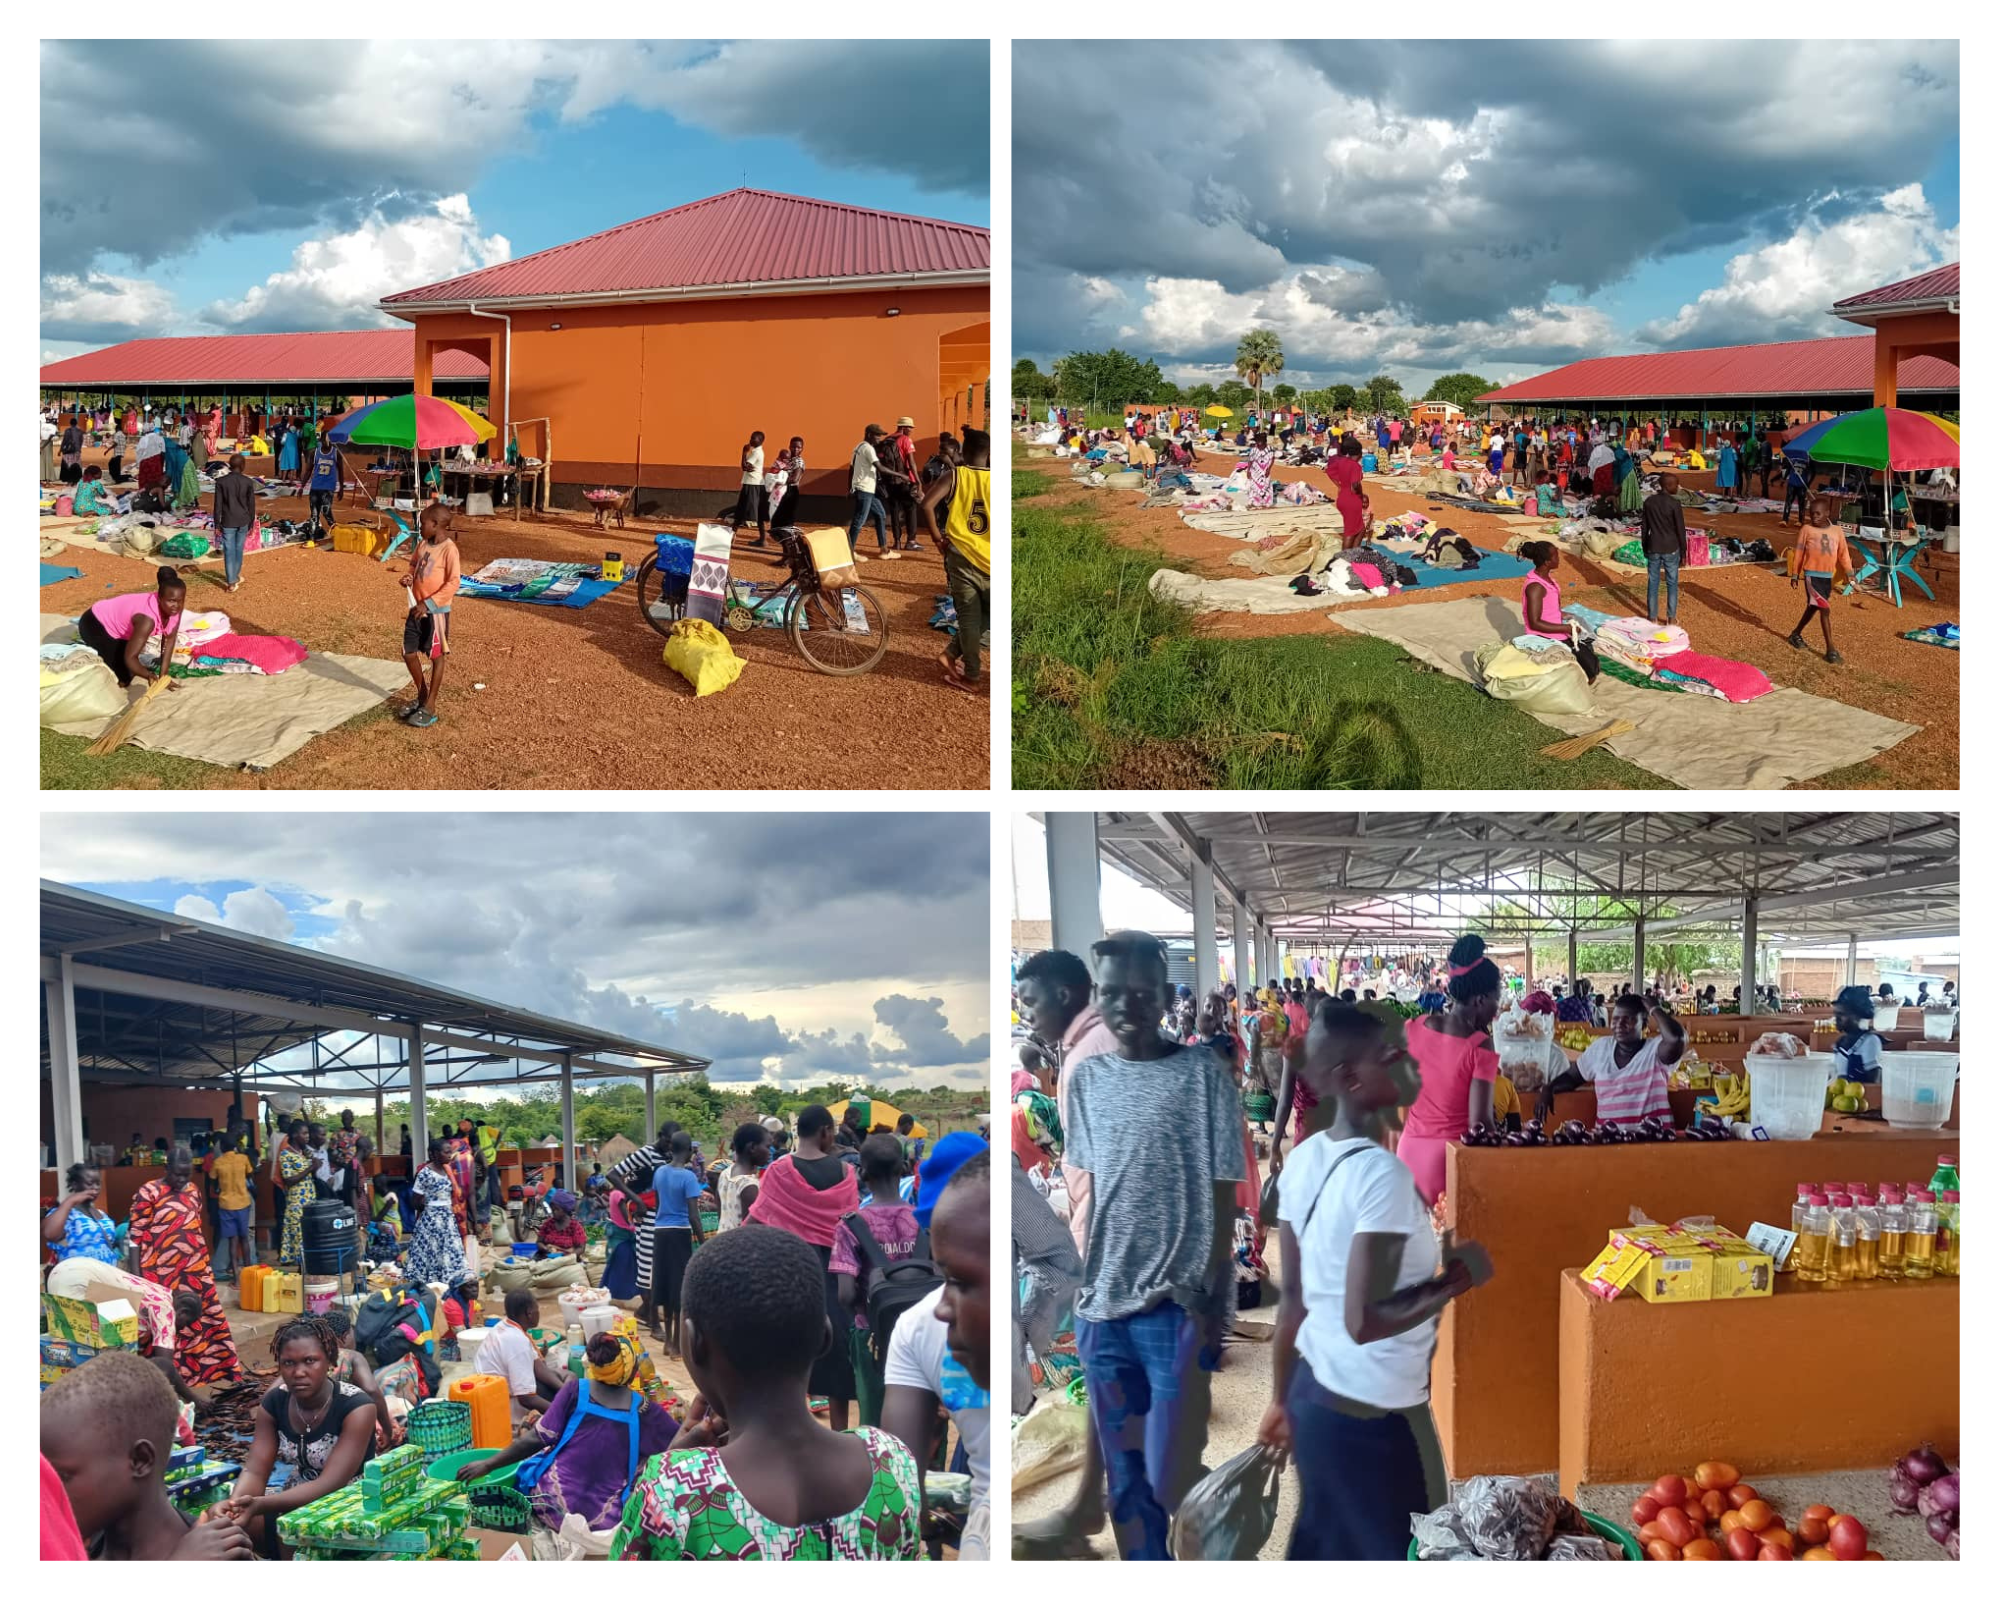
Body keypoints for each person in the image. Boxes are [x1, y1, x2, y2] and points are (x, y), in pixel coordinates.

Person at [1258, 1001, 1494, 1559]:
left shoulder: (1306, 1157)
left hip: (1315, 1398)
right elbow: (1362, 1321)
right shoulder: (1381, 1176)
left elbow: (1292, 1303)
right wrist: (1453, 1281)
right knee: (1406, 1551)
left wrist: (1282, 1400)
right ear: (1349, 1079)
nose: (1404, 1063)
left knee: (1326, 1550)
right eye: (1386, 1057)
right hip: (1373, 1415)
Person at [1063, 931, 1242, 1561]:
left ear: (1166, 996)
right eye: (1112, 993)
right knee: (1127, 1485)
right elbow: (1099, 1189)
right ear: (1097, 996)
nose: (1127, 1006)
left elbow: (1225, 1196)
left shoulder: (1204, 1076)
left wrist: (1213, 1301)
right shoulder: (1087, 1080)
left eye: (1142, 993)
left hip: (1174, 1306)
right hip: (1102, 1309)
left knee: (1172, 1476)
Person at [610, 1225, 923, 1559]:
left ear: (695, 1342)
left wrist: (668, 1465)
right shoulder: (892, 1462)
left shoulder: (672, 1493)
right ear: (825, 1337)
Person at [459, 1329, 680, 1535]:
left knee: (541, 1449)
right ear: (631, 1373)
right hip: (603, 1523)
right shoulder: (645, 1411)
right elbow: (678, 1445)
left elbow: (537, 1438)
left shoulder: (576, 1389)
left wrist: (488, 1464)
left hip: (550, 1506)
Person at [882, 1147, 992, 1559]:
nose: (944, 1309)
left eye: (959, 1280)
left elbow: (902, 1480)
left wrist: (929, 1524)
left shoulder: (916, 1326)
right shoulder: (1069, 1302)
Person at [40, 1352, 253, 1560]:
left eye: (62, 1476)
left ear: (140, 1460)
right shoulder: (67, 1550)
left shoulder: (221, 1558)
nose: (45, 1490)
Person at [218, 1316, 379, 1558]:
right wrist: (236, 1506)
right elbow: (255, 1471)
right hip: (294, 1497)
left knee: (292, 1532)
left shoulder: (356, 1407)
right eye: (288, 1363)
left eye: (310, 1361)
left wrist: (259, 1505)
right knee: (224, 1526)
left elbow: (330, 1483)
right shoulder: (275, 1402)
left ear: (330, 1361)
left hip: (350, 1502)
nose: (299, 1372)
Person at [747, 1104, 861, 1429]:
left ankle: (794, 1431)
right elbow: (851, 1226)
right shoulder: (845, 1174)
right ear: (826, 1131)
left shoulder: (779, 1171)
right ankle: (840, 1431)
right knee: (837, 1351)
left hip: (792, 1272)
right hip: (836, 1273)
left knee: (793, 1351)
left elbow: (757, 1218)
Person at [1395, 935, 1503, 1207]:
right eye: (1496, 999)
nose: (1497, 1009)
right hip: (1448, 1161)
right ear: (1480, 1000)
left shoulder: (1414, 1027)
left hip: (1407, 1154)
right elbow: (1479, 1124)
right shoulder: (1480, 1045)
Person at [127, 1149, 244, 1388]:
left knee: (201, 1322)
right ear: (166, 1169)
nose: (182, 1180)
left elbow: (194, 1227)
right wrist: (138, 1279)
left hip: (195, 1271)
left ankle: (199, 1375)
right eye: (177, 1174)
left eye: (186, 1174)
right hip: (159, 1273)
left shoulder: (193, 1190)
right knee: (163, 1323)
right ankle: (160, 1381)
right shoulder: (149, 1192)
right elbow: (135, 1238)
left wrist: (204, 1268)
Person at [830, 1133, 923, 1427]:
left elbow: (845, 1295)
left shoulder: (850, 1226)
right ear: (904, 1168)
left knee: (876, 1417)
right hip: (923, 1334)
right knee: (925, 1416)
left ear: (862, 1173)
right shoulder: (925, 1221)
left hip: (871, 1335)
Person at [919, 426, 992, 694]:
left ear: (963, 452)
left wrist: (938, 539)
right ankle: (962, 667)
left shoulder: (955, 475)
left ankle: (966, 669)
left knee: (970, 618)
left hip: (960, 556)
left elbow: (927, 504)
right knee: (988, 616)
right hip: (990, 559)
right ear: (989, 453)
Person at [1539, 992, 1685, 1122]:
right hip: (1608, 1139)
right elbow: (1572, 1077)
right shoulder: (1601, 1048)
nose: (1619, 1024)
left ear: (1644, 1024)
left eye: (1628, 1019)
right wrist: (1549, 1088)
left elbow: (1676, 1038)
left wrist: (1655, 1009)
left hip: (1653, 1141)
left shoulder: (1655, 1051)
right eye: (1615, 1019)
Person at [399, 490, 459, 726]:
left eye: (422, 523)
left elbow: (453, 582)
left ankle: (431, 705)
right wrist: (409, 577)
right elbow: (414, 564)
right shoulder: (423, 544)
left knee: (436, 656)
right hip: (416, 608)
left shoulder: (449, 550)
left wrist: (429, 603)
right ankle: (422, 695)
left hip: (436, 613)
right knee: (408, 652)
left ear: (435, 525)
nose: (419, 526)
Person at [79, 567, 187, 689]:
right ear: (159, 598)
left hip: (117, 626)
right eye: (171, 601)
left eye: (180, 601)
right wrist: (149, 675)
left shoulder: (174, 609)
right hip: (94, 624)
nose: (176, 606)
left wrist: (163, 676)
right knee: (125, 677)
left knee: (132, 666)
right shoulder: (147, 620)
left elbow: (169, 640)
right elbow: (130, 658)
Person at [649, 1131, 707, 1356]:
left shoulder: (659, 1172)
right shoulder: (688, 1177)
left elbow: (658, 1205)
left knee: (664, 1282)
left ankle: (668, 1341)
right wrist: (703, 1243)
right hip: (679, 1233)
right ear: (690, 1151)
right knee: (678, 1286)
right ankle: (675, 1344)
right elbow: (693, 1215)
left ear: (671, 1148)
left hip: (660, 1232)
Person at [475, 1287, 566, 1423]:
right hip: (499, 1403)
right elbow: (526, 1398)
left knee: (564, 1377)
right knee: (559, 1389)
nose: (538, 1313)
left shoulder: (505, 1326)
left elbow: (538, 1365)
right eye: (537, 1309)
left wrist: (565, 1390)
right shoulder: (517, 1341)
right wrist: (560, 1413)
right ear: (529, 1313)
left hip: (491, 1390)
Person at [1785, 497, 1853, 665]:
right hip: (1811, 576)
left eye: (1818, 514)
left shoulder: (1837, 531)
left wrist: (1849, 572)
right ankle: (1831, 650)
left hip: (1827, 577)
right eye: (1811, 514)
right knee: (1824, 609)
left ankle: (1795, 634)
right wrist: (1795, 574)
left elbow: (1843, 553)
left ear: (1827, 513)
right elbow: (1799, 553)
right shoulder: (1806, 530)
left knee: (1813, 607)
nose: (1814, 517)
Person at [406, 1135, 469, 1288]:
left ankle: (449, 1282)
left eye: (450, 1152)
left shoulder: (448, 1171)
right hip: (431, 1221)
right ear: (435, 1154)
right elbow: (415, 1201)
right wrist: (429, 1211)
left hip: (447, 1220)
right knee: (432, 1251)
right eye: (446, 1152)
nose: (449, 1155)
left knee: (450, 1250)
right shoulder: (425, 1173)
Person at [44, 1161, 120, 1264]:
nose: (96, 1187)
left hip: (106, 1272)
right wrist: (71, 1201)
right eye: (90, 1183)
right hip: (78, 1273)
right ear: (75, 1185)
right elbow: (49, 1234)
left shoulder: (102, 1214)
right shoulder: (65, 1214)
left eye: (98, 1183)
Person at [1639, 471, 1689, 625]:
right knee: (1672, 583)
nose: (1678, 487)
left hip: (1653, 546)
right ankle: (1671, 618)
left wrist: (1645, 545)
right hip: (1671, 547)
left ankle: (1652, 617)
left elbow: (1644, 527)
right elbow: (1680, 530)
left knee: (1653, 581)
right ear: (1668, 486)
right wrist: (1684, 552)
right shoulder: (1674, 504)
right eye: (1676, 485)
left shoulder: (1649, 502)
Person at [207, 1131, 254, 1281]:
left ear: (221, 1147)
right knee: (244, 1238)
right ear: (235, 1145)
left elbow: (212, 1180)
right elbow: (250, 1174)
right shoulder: (243, 1158)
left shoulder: (218, 1162)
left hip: (226, 1204)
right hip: (243, 1202)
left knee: (233, 1241)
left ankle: (236, 1278)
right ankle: (249, 1274)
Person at [717, 1121, 769, 1233]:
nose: (769, 1152)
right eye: (767, 1147)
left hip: (722, 1238)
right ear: (752, 1147)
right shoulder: (749, 1185)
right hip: (740, 1243)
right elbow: (751, 1231)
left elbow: (720, 1213)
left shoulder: (725, 1174)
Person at [847, 423, 890, 560]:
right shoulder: (868, 449)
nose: (879, 438)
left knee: (880, 514)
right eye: (877, 435)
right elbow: (880, 468)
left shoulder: (858, 447)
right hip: (865, 489)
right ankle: (849, 551)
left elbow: (851, 469)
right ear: (869, 435)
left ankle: (884, 550)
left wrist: (850, 487)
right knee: (859, 520)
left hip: (866, 489)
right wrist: (902, 475)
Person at [1827, 985, 1885, 1084]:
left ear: (1856, 1016)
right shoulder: (1841, 1042)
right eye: (1835, 1014)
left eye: (1841, 1014)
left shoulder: (1870, 1041)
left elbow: (1874, 1082)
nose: (1836, 1019)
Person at [1325, 433, 1367, 549]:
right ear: (1358, 453)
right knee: (1350, 532)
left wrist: (1339, 486)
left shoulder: (1340, 462)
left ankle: (1354, 553)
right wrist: (1361, 494)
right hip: (1352, 501)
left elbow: (1329, 471)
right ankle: (1344, 556)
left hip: (1342, 498)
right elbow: (1355, 485)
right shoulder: (1355, 466)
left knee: (1361, 529)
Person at [767, 436, 806, 540]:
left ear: (802, 449)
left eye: (798, 447)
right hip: (781, 491)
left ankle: (789, 545)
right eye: (793, 447)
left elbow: (794, 479)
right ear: (789, 446)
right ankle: (784, 544)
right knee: (777, 519)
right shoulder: (787, 459)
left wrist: (778, 481)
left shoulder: (798, 462)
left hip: (790, 492)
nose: (796, 449)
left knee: (786, 522)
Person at [305, 432, 340, 539]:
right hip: (316, 486)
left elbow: (341, 470)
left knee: (326, 510)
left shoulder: (335, 453)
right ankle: (312, 537)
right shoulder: (314, 453)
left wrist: (341, 487)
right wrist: (302, 486)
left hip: (328, 488)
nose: (326, 441)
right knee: (314, 513)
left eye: (328, 439)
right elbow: (308, 470)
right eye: (324, 439)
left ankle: (335, 529)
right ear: (321, 440)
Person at [735, 430, 768, 543]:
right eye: (751, 438)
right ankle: (762, 539)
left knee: (740, 511)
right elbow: (747, 467)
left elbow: (744, 467)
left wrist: (744, 452)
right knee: (758, 513)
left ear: (760, 441)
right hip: (756, 484)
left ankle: (731, 537)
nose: (751, 440)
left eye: (754, 438)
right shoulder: (758, 451)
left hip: (752, 484)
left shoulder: (756, 453)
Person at [537, 1189, 588, 1257]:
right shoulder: (548, 1224)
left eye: (557, 1209)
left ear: (565, 1210)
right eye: (552, 1209)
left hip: (568, 1260)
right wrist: (545, 1248)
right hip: (548, 1258)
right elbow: (539, 1242)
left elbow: (581, 1248)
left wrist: (569, 1256)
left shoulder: (575, 1226)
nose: (554, 1212)